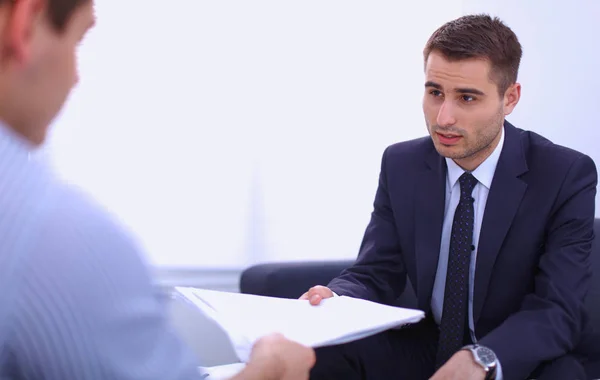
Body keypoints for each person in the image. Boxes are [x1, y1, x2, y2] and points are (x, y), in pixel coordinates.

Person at [0, 0, 315, 379]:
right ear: (24, 24)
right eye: (78, 41)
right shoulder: (56, 237)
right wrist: (274, 366)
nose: (75, 78)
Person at [300, 14, 600, 380]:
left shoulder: (564, 174)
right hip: (430, 344)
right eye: (435, 92)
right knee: (319, 354)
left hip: (516, 352)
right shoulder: (402, 163)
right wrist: (338, 298)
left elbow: (558, 309)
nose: (443, 117)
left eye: (467, 98)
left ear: (510, 98)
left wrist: (483, 357)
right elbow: (378, 270)